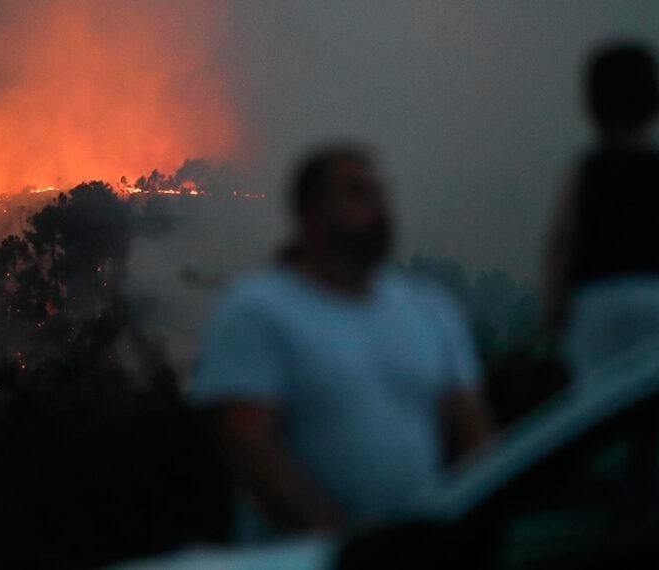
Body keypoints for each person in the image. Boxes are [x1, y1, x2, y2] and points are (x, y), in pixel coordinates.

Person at [188, 144, 494, 541]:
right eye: (355, 193)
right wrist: (339, 546)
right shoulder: (257, 310)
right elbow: (249, 446)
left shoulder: (430, 310)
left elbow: (474, 433)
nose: (376, 207)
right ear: (309, 213)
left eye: (378, 193)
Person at [543, 42, 659, 380]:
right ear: (657, 102)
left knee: (600, 408)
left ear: (592, 105)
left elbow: (561, 241)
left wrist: (554, 307)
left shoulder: (586, 170)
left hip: (600, 302)